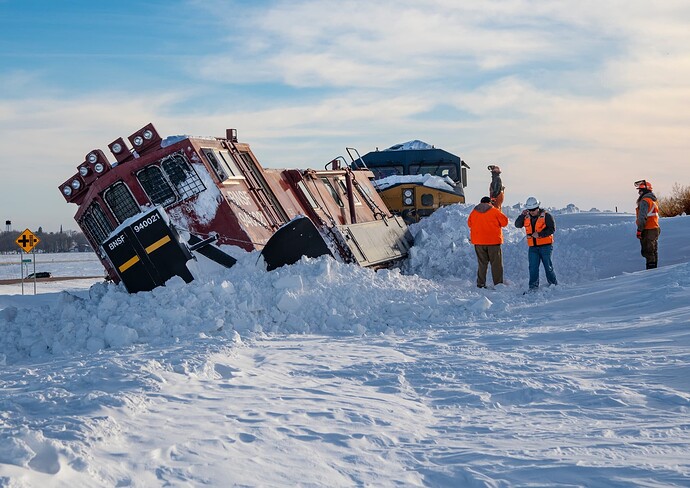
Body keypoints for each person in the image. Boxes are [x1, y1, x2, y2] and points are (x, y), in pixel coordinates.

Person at [514, 196, 558, 290]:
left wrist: (540, 234)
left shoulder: (547, 216)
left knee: (548, 266)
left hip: (545, 246)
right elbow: (517, 225)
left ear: (538, 207)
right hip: (533, 248)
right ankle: (533, 287)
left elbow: (552, 229)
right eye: (530, 209)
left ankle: (553, 285)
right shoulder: (526, 217)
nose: (532, 211)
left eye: (533, 209)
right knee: (533, 268)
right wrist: (522, 215)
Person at [467, 196, 509, 288]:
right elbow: (505, 222)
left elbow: (469, 224)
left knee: (482, 264)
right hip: (493, 242)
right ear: (490, 203)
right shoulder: (494, 211)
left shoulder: (474, 212)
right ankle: (498, 284)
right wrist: (497, 209)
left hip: (478, 242)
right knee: (496, 264)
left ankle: (481, 284)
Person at [635, 179, 660, 269]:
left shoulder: (645, 201)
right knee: (653, 251)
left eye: (640, 190)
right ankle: (654, 270)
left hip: (648, 229)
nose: (639, 193)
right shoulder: (653, 200)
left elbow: (642, 217)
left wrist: (639, 230)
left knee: (648, 251)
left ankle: (650, 272)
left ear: (645, 190)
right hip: (655, 228)